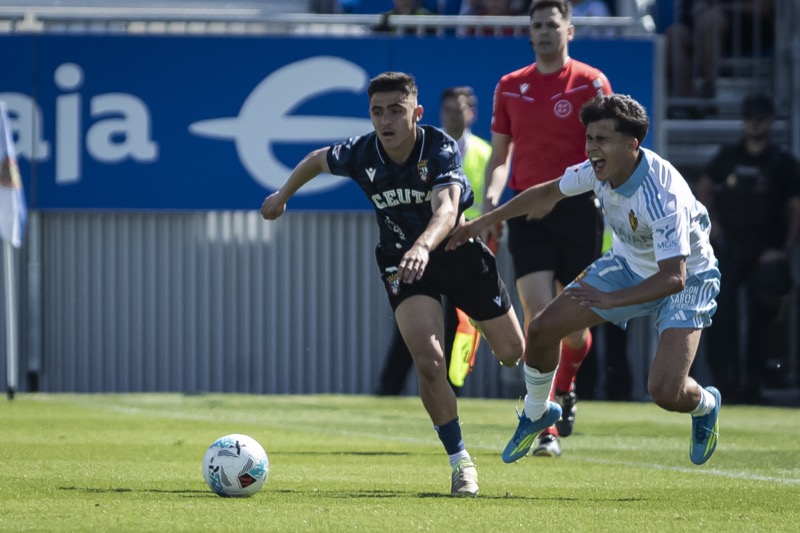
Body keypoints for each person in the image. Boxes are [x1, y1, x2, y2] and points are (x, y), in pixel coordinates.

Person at [261, 72, 525, 496]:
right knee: (429, 362)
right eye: (377, 112)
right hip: (401, 263)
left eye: (396, 111)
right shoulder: (361, 152)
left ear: (416, 113)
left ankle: (533, 395)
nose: (386, 121)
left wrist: (423, 245)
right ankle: (461, 462)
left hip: (457, 252)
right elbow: (316, 159)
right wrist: (282, 195)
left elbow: (446, 210)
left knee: (512, 353)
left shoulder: (438, 147)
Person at [447, 93, 723, 466]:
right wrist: (481, 222)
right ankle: (537, 412)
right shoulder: (597, 169)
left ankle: (705, 404)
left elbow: (674, 277)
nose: (592, 148)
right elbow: (547, 192)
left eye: (602, 139)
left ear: (632, 145)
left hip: (688, 280)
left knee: (664, 391)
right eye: (589, 138)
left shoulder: (663, 194)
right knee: (541, 329)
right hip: (627, 265)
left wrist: (612, 301)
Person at [482, 0, 612, 457]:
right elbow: (500, 156)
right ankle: (545, 423)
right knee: (539, 319)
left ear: (569, 30)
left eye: (551, 25)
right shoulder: (509, 86)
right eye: (536, 25)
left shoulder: (591, 83)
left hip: (577, 210)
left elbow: (607, 151)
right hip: (527, 213)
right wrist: (493, 198)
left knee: (573, 329)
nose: (542, 32)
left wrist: (559, 193)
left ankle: (566, 384)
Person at [376, 86, 494, 397]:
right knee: (415, 318)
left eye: (460, 110)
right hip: (426, 243)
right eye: (448, 110)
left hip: (464, 244)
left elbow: (488, 200)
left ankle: (454, 386)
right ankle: (390, 387)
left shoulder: (484, 152)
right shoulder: (425, 146)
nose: (454, 116)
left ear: (472, 113)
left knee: (462, 321)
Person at [695, 92, 800, 403]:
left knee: (763, 318)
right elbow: (703, 189)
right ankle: (725, 386)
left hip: (766, 250)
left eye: (761, 118)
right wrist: (712, 226)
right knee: (721, 317)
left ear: (771, 121)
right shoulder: (728, 155)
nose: (755, 123)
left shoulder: (782, 162)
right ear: (743, 121)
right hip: (729, 248)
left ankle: (755, 386)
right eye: (750, 117)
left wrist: (785, 249)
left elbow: (796, 208)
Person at [666, 0, 775, 100]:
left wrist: (721, 7)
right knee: (675, 35)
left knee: (710, 20)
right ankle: (685, 103)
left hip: (752, 29)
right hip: (702, 28)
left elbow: (764, 7)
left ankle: (709, 90)